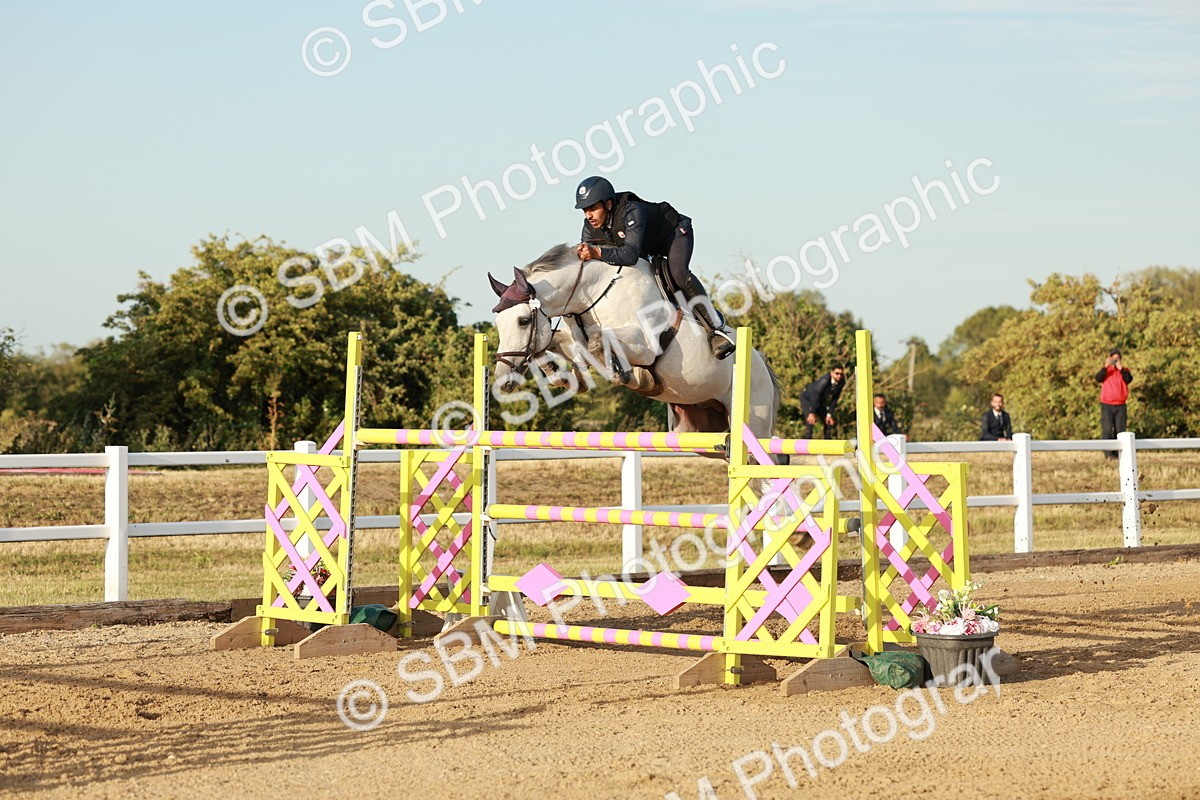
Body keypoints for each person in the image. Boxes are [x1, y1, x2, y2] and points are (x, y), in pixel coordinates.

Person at [572, 176, 734, 359]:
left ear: (608, 204)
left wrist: (597, 252)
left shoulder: (631, 210)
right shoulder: (589, 227)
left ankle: (715, 328)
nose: (588, 215)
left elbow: (630, 255)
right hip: (645, 246)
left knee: (678, 273)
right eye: (585, 210)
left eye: (593, 208)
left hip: (673, 235)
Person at [1095, 347, 1133, 459]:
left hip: (1120, 404)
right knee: (1107, 429)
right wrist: (1106, 366)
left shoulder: (1124, 371)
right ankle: (1108, 453)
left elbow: (1128, 379)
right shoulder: (1106, 371)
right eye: (1113, 359)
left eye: (1117, 359)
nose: (1115, 361)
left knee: (1120, 430)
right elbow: (1098, 378)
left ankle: (1118, 453)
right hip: (1107, 404)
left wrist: (1120, 368)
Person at [800, 365, 845, 439]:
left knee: (828, 421)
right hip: (808, 399)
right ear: (831, 373)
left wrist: (829, 414)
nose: (839, 376)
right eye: (837, 373)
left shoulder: (841, 382)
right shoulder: (824, 381)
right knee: (810, 421)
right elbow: (815, 395)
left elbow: (835, 398)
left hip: (820, 400)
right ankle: (807, 442)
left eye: (841, 374)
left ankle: (827, 443)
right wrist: (812, 412)